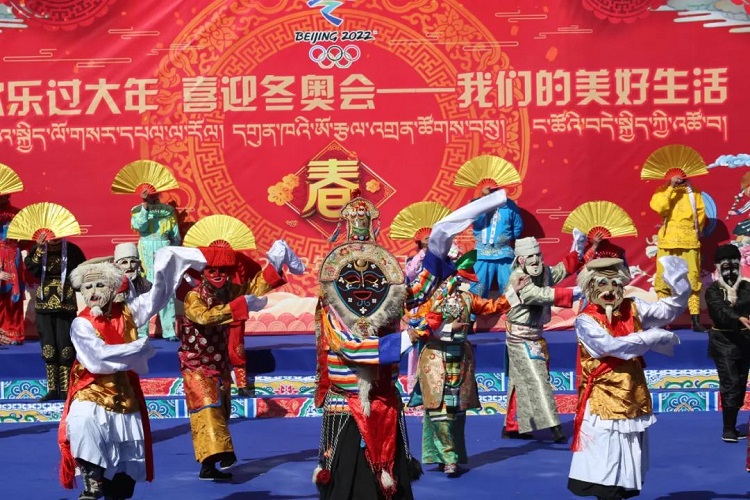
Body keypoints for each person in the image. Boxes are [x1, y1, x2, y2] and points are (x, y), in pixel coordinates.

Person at [313, 189, 510, 499]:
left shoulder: (389, 297)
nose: (363, 285)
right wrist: (408, 337)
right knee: (352, 482)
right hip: (349, 405)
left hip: (386, 399)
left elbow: (418, 292)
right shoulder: (334, 307)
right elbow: (351, 347)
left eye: (373, 277)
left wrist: (438, 246)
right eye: (352, 279)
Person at [58, 247, 211, 500]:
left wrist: (167, 263)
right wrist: (135, 349)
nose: (93, 292)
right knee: (83, 422)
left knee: (123, 473)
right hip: (91, 389)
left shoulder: (128, 312)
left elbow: (157, 297)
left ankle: (117, 487)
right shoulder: (81, 323)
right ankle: (92, 480)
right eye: (87, 287)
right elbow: (97, 359)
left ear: (111, 288)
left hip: (124, 392)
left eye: (99, 285)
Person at [180, 231, 304, 481]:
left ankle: (216, 459)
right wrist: (240, 306)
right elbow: (205, 317)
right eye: (212, 270)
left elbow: (253, 288)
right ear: (203, 272)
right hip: (196, 365)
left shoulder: (228, 290)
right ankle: (214, 460)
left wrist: (274, 264)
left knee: (221, 409)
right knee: (207, 409)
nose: (218, 275)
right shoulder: (194, 296)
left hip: (219, 363)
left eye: (223, 270)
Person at [568, 257, 689, 500]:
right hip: (603, 398)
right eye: (602, 284)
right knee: (605, 451)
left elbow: (667, 311)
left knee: (628, 451)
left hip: (632, 392)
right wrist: (650, 337)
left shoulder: (632, 308)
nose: (610, 290)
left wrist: (679, 285)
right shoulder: (585, 320)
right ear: (590, 287)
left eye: (615, 284)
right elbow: (610, 347)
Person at [415, 249, 526, 476]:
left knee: (456, 412)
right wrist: (448, 328)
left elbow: (492, 307)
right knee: (439, 410)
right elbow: (419, 325)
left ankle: (449, 454)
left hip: (460, 360)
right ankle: (448, 458)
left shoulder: (467, 298)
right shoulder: (429, 299)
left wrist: (513, 292)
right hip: (435, 359)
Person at [501, 233, 597, 442]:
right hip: (519, 337)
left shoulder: (543, 271)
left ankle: (512, 425)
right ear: (521, 259)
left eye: (538, 255)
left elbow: (560, 270)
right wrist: (573, 293)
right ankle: (555, 427)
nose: (536, 260)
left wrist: (578, 249)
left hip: (535, 335)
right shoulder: (518, 278)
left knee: (520, 380)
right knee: (538, 380)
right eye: (530, 257)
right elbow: (538, 295)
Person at [25, 232, 86, 401]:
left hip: (65, 304)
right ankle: (52, 389)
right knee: (48, 347)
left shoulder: (72, 250)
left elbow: (81, 273)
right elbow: (32, 269)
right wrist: (39, 250)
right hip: (44, 304)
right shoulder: (37, 249)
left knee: (66, 347)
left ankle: (66, 389)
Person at [705, 244, 750, 443]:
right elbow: (719, 311)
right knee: (730, 384)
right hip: (723, 343)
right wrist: (738, 317)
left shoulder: (746, 288)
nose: (730, 272)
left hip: (745, 343)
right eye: (726, 267)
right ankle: (728, 429)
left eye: (734, 266)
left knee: (740, 384)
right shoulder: (713, 291)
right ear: (718, 268)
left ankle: (732, 424)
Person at [650, 173, 706, 331]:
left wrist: (694, 231)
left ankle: (695, 320)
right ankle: (663, 320)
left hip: (689, 241)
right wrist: (671, 187)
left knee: (693, 278)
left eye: (682, 175)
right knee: (663, 279)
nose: (679, 178)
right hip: (668, 240)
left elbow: (700, 216)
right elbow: (660, 208)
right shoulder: (661, 191)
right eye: (676, 176)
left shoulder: (694, 192)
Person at [131, 188, 181, 340]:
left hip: (164, 248)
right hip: (146, 249)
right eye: (146, 194)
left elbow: (175, 236)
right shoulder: (137, 210)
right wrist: (145, 206)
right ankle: (142, 331)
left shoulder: (168, 211)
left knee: (166, 291)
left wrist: (171, 251)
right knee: (145, 290)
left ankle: (169, 331)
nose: (149, 195)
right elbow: (139, 226)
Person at [471, 186, 523, 298]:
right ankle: (474, 310)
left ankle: (512, 309)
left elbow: (518, 227)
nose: (491, 192)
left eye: (494, 190)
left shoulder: (509, 205)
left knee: (510, 289)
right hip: (482, 255)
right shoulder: (477, 205)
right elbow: (473, 219)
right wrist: (484, 199)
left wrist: (505, 239)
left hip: (504, 254)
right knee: (477, 291)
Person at [0, 193, 24, 345]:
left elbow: (27, 238)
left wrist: (17, 245)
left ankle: (14, 332)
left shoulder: (18, 214)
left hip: (13, 256)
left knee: (13, 296)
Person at [114, 242, 152, 339]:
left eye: (133, 262)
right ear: (116, 265)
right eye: (124, 262)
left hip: (141, 333)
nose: (129, 266)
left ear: (138, 264)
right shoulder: (112, 286)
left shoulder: (146, 285)